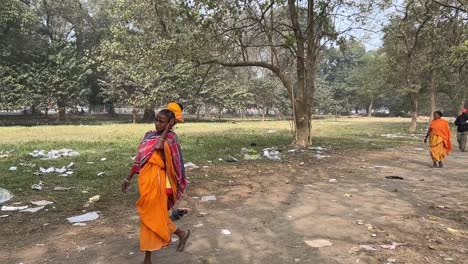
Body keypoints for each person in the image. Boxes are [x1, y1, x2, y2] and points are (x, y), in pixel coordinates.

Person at [122, 102, 190, 264]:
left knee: (148, 217)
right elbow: (139, 159)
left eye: (162, 121)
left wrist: (167, 130)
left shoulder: (171, 138)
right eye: (156, 120)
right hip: (145, 180)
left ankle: (147, 259)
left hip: (159, 182)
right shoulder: (148, 135)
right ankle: (181, 233)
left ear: (170, 123)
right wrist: (128, 177)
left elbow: (160, 146)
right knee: (154, 215)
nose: (157, 123)